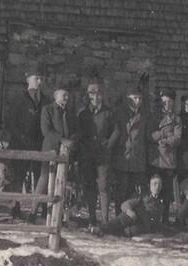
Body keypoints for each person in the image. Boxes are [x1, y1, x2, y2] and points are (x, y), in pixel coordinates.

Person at [28, 88, 79, 223]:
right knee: (44, 180)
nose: (66, 98)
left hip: (65, 152)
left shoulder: (70, 113)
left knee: (60, 181)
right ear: (56, 97)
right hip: (50, 149)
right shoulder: (48, 110)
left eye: (67, 95)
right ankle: (33, 211)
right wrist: (62, 140)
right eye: (63, 96)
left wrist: (72, 139)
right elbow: (46, 130)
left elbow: (75, 129)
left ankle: (55, 214)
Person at [4, 68, 48, 218]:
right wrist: (22, 138)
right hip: (20, 144)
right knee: (18, 177)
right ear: (28, 79)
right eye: (36, 78)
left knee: (40, 177)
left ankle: (38, 208)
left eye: (41, 79)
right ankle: (14, 206)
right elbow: (11, 122)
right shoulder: (19, 99)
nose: (39, 82)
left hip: (38, 145)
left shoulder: (45, 101)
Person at [77, 83, 119, 225]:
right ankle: (92, 218)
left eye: (98, 94)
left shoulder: (109, 112)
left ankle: (105, 220)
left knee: (104, 186)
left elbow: (116, 131)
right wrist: (83, 147)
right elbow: (79, 133)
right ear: (88, 96)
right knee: (89, 186)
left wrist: (109, 144)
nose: (95, 97)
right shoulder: (83, 113)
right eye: (92, 94)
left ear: (102, 96)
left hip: (103, 155)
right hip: (88, 155)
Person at [112, 87, 149, 216]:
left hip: (137, 158)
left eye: (139, 98)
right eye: (134, 98)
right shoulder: (119, 113)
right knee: (121, 190)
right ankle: (118, 217)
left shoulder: (144, 115)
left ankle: (129, 218)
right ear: (127, 100)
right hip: (122, 156)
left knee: (133, 191)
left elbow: (146, 137)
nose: (137, 101)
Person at [90, 174, 164, 237]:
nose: (157, 187)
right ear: (150, 186)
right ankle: (101, 228)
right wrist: (129, 211)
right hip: (130, 218)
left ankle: (105, 232)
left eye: (159, 184)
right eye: (154, 184)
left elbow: (155, 223)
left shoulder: (160, 204)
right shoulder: (142, 196)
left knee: (130, 231)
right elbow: (125, 204)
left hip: (140, 226)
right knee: (122, 219)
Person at [149, 88, 182, 224]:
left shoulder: (176, 119)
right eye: (164, 102)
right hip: (155, 159)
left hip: (168, 159)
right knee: (154, 189)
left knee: (167, 191)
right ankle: (152, 217)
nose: (166, 104)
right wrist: (164, 134)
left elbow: (177, 138)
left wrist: (163, 140)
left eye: (169, 102)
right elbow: (150, 135)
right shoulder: (154, 117)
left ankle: (165, 219)